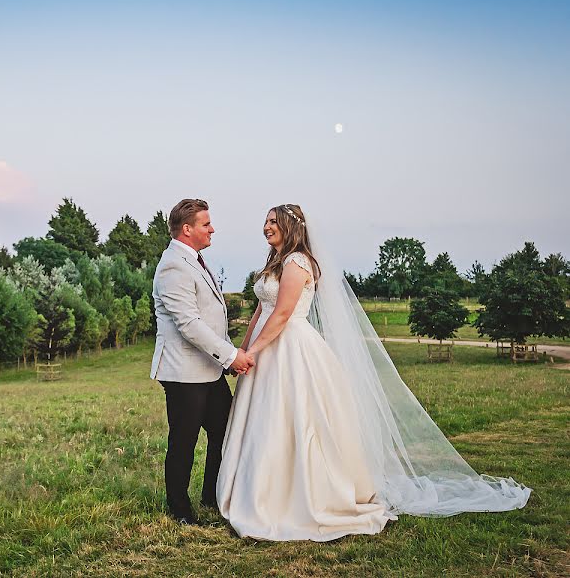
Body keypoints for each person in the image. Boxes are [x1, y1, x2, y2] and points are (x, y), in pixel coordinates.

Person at [217, 203, 531, 541]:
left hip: (290, 347)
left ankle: (294, 496)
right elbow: (260, 313)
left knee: (296, 418)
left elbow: (281, 316)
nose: (265, 227)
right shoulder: (273, 263)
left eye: (272, 222)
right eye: (265, 221)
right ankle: (259, 488)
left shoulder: (297, 263)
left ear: (291, 227)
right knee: (265, 418)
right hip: (265, 348)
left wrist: (253, 351)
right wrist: (241, 352)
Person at [151, 198, 254, 525]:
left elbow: (210, 320)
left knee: (225, 432)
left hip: (209, 372)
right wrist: (231, 355)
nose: (212, 229)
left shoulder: (195, 260)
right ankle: (179, 510)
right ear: (187, 229)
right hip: (183, 373)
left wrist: (224, 361)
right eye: (206, 224)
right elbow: (190, 324)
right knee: (183, 441)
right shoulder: (172, 265)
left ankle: (213, 494)